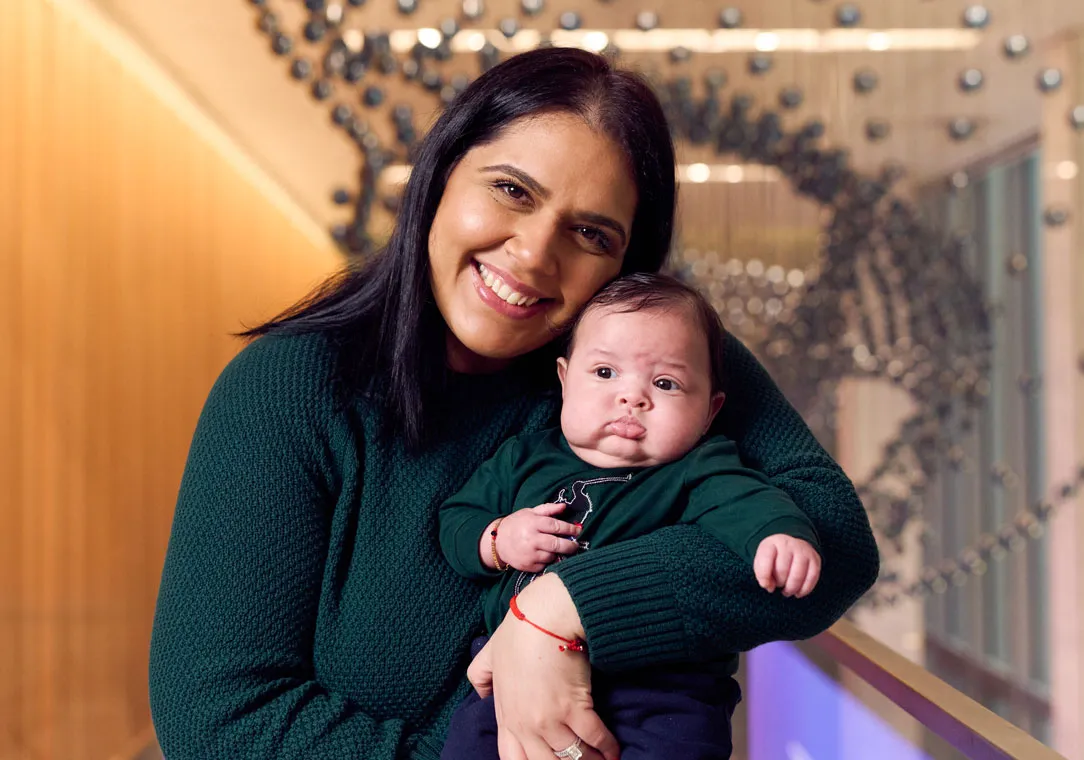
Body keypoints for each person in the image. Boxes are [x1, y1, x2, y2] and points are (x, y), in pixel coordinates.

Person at [148, 46, 879, 760]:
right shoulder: (291, 387)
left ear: (626, 266)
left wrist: (562, 608)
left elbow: (836, 541)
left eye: (591, 233)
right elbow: (220, 720)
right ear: (440, 177)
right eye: (512, 190)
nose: (533, 255)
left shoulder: (645, 368)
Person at [439, 273, 823, 760]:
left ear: (709, 411)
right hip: (512, 678)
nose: (633, 398)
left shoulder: (698, 467)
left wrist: (779, 535)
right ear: (563, 379)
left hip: (663, 687)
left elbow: (746, 501)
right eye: (604, 373)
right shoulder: (524, 457)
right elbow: (458, 518)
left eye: (666, 383)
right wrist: (496, 538)